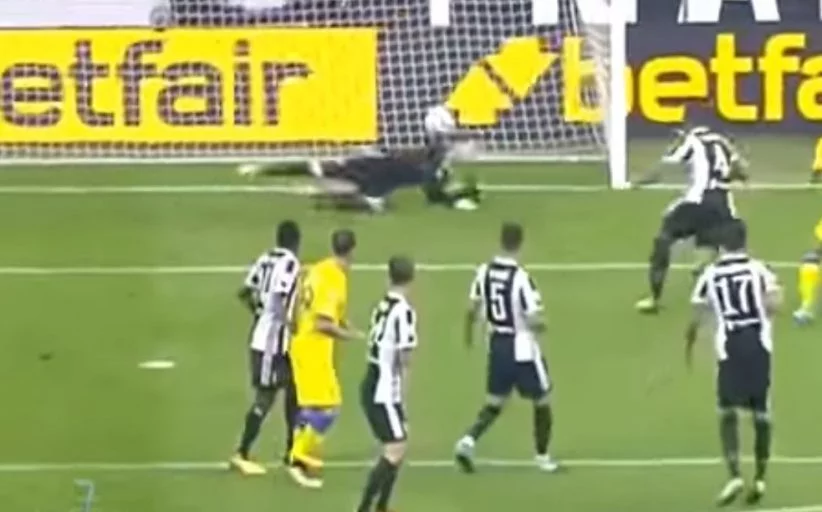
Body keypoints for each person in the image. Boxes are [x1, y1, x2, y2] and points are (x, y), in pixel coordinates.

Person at [686, 220, 781, 506]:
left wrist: (690, 342)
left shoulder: (710, 274)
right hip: (758, 346)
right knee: (761, 413)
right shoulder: (760, 269)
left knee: (727, 412)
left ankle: (735, 475)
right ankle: (760, 478)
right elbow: (774, 303)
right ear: (744, 242)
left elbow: (697, 313)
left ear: (721, 246)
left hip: (730, 349)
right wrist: (766, 313)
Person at [454, 222, 558, 474]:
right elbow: (532, 318)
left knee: (496, 401)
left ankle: (468, 441)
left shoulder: (484, 272)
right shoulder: (521, 278)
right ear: (521, 243)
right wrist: (544, 325)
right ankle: (543, 457)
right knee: (542, 399)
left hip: (497, 344)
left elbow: (471, 308)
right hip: (522, 348)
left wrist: (468, 336)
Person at [635, 126, 748, 314]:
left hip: (696, 202)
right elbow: (741, 172)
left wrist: (639, 181)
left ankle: (654, 298)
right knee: (713, 242)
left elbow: (665, 166)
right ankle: (706, 277)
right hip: (722, 205)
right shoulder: (724, 143)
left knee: (663, 239)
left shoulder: (692, 141)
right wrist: (727, 178)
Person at [287, 229, 363, 488]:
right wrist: (348, 336)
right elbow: (322, 323)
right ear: (352, 251)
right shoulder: (334, 278)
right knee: (328, 409)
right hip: (313, 349)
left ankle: (302, 455)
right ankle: (296, 458)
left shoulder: (319, 269)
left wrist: (344, 323)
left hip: (304, 344)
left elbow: (304, 300)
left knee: (313, 407)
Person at [230, 220, 301, 475]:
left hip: (272, 340)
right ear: (297, 242)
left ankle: (293, 450)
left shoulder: (265, 258)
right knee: (266, 397)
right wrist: (287, 322)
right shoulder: (290, 264)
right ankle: (241, 452)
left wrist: (259, 312)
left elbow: (244, 292)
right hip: (271, 343)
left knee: (294, 390)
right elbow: (281, 297)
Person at [356, 256, 417, 512]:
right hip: (384, 389)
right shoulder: (404, 312)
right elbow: (404, 356)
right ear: (411, 278)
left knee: (399, 443)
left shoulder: (382, 305)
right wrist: (402, 393)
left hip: (374, 380)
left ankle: (382, 505)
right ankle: (365, 508)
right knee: (395, 448)